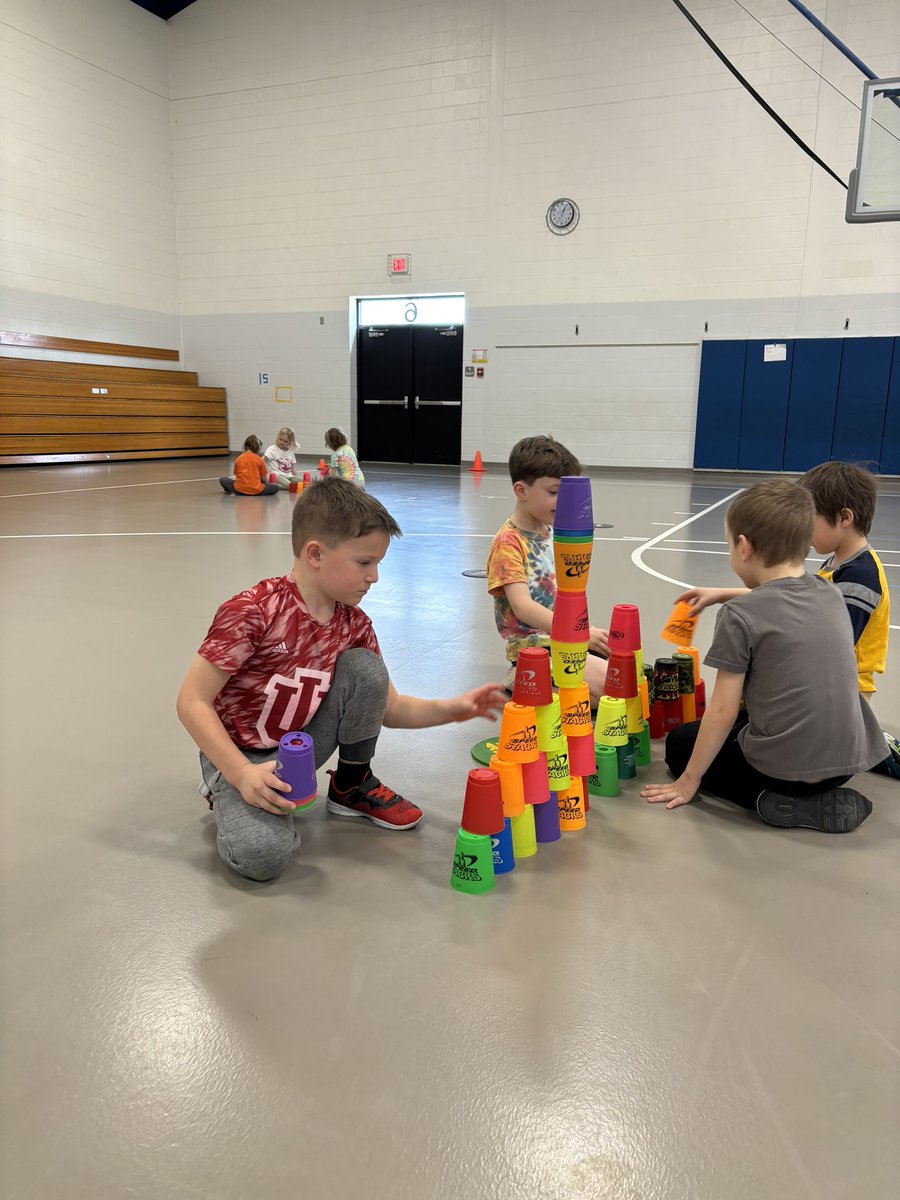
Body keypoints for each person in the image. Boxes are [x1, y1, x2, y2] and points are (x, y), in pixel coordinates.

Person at [177, 478, 506, 881]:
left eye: (378, 564)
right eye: (364, 563)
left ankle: (352, 785)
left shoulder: (354, 625)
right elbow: (192, 701)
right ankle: (225, 792)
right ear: (315, 553)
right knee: (262, 856)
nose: (375, 577)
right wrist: (240, 773)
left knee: (364, 667)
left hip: (299, 749)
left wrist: (455, 709)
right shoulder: (253, 611)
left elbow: (392, 707)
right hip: (240, 754)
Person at [641, 479, 885, 833]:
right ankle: (806, 792)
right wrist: (723, 593)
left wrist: (688, 780)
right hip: (848, 762)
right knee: (745, 728)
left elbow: (723, 711)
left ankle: (779, 801)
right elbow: (782, 598)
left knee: (681, 745)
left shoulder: (739, 617)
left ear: (743, 546)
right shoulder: (830, 591)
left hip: (791, 776)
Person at [486, 434, 608, 704]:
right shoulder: (508, 543)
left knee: (627, 669)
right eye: (554, 493)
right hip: (536, 650)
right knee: (615, 686)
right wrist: (579, 633)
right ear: (521, 490)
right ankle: (523, 678)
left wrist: (584, 632)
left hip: (563, 641)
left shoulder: (554, 532)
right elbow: (523, 607)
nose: (562, 501)